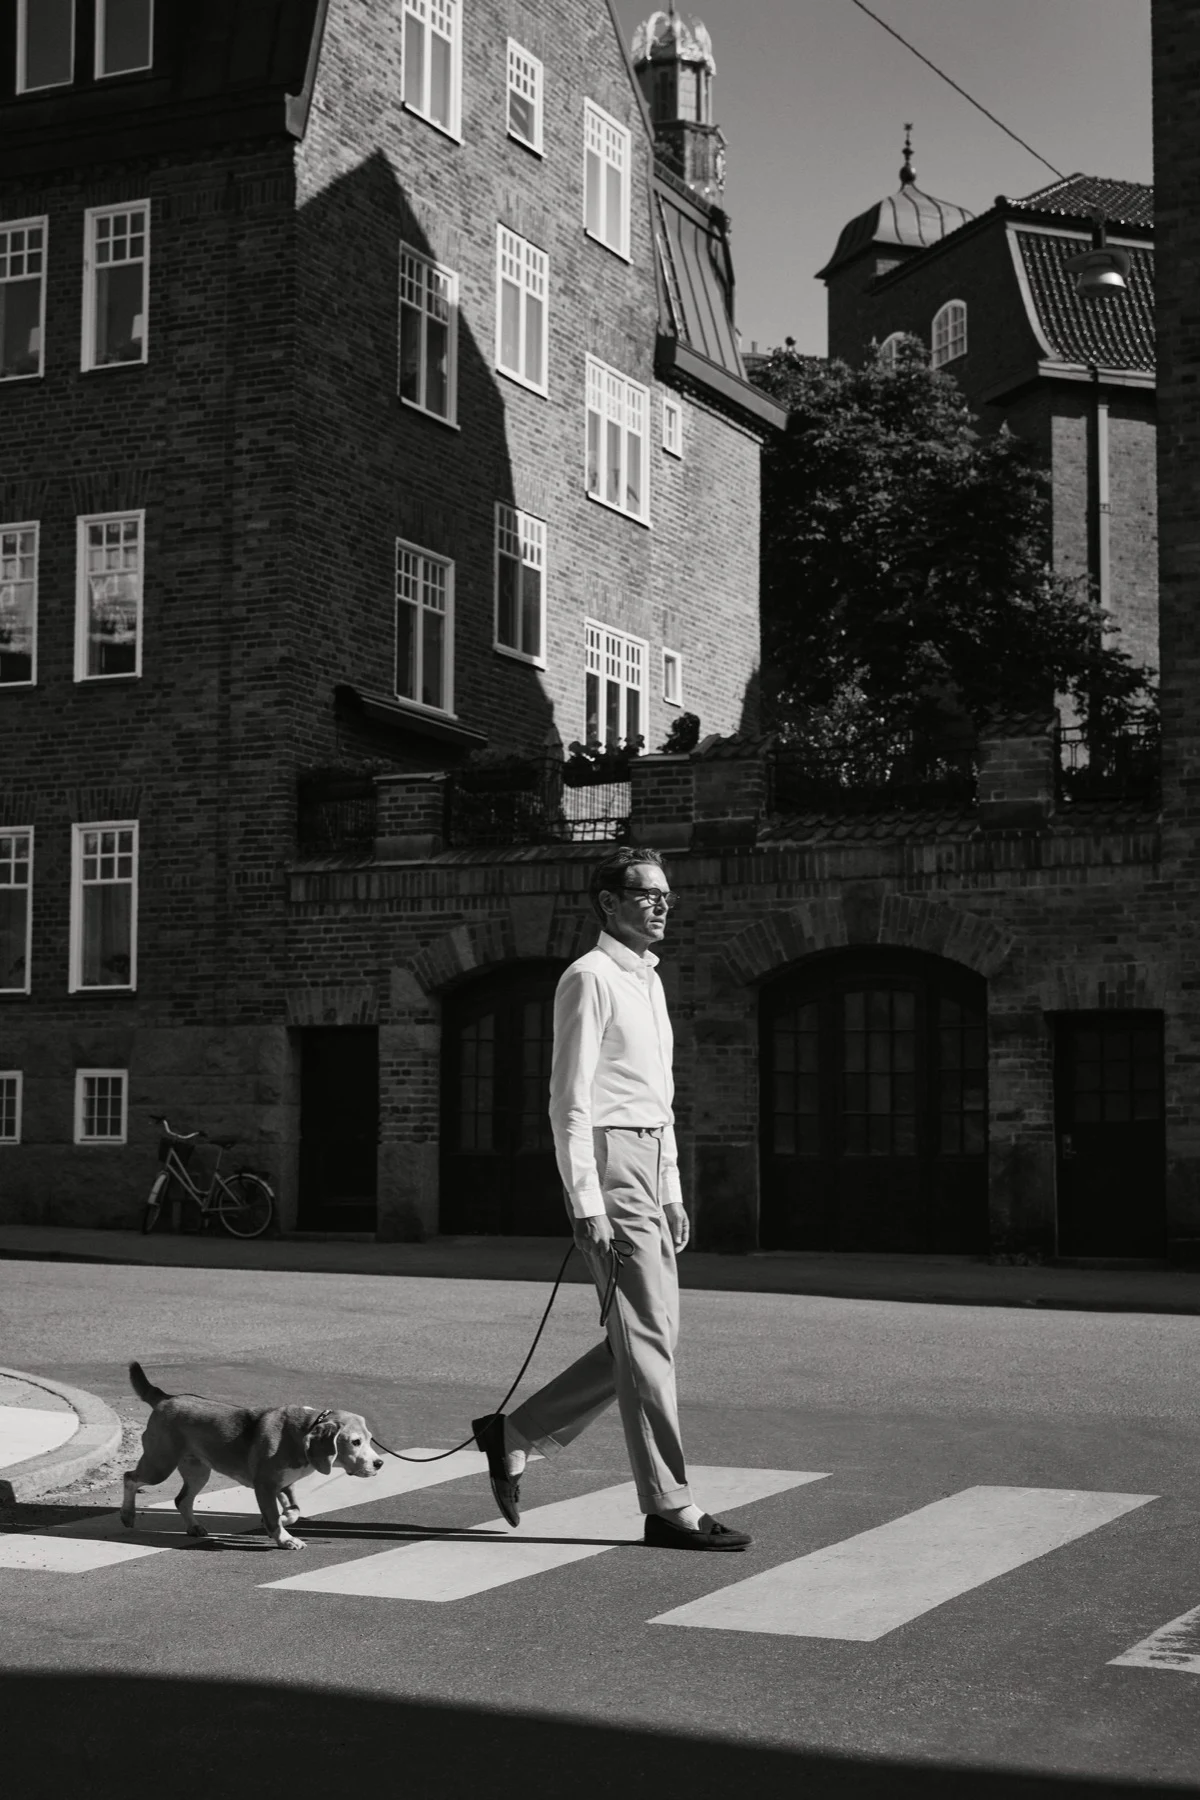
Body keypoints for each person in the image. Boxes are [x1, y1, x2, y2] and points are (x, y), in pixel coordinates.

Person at [471, 846, 752, 1551]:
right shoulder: (588, 978)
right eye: (648, 894)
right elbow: (568, 1102)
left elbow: (659, 1094)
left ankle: (515, 1434)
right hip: (608, 1159)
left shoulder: (649, 981)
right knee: (649, 1338)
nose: (662, 906)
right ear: (608, 902)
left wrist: (673, 1184)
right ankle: (670, 1506)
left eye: (667, 897)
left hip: (647, 1160)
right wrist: (587, 1201)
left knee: (646, 1338)